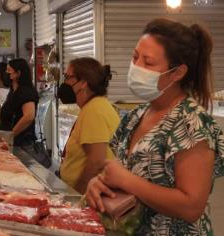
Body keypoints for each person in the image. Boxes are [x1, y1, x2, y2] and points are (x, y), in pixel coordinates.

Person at [86, 18, 224, 235]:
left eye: (148, 63)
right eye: (135, 57)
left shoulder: (192, 123)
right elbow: (119, 172)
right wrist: (99, 184)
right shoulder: (135, 116)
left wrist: (128, 181)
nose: (136, 67)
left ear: (177, 73)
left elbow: (191, 206)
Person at [58, 57, 120, 194]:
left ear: (83, 83)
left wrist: (75, 198)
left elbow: (97, 162)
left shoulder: (95, 110)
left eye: (68, 77)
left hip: (89, 196)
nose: (64, 82)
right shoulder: (93, 107)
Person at [0, 58, 39, 147]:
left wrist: (10, 136)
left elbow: (29, 116)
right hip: (12, 141)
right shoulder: (13, 89)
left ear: (18, 73)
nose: (6, 73)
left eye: (9, 70)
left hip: (22, 143)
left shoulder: (26, 91)